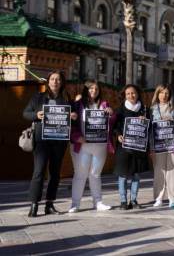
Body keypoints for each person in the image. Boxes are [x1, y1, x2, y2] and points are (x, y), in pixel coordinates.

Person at [24, 71, 78, 217]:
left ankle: (49, 204)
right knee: (39, 172)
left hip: (59, 141)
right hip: (41, 140)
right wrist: (36, 115)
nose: (55, 82)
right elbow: (25, 113)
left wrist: (73, 116)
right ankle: (34, 204)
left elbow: (76, 117)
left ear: (62, 82)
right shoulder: (38, 97)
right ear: (48, 82)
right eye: (53, 79)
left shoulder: (67, 99)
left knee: (55, 174)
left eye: (58, 79)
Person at [68, 79, 113, 213]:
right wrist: (77, 137)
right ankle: (75, 204)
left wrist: (111, 113)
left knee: (95, 174)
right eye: (91, 88)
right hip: (82, 145)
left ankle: (98, 202)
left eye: (96, 89)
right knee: (80, 174)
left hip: (99, 145)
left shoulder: (104, 104)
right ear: (86, 90)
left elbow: (111, 122)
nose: (94, 91)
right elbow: (70, 124)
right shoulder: (78, 104)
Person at [113, 84, 150, 210]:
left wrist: (145, 120)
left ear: (138, 93)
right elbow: (115, 126)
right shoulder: (120, 110)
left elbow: (150, 127)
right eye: (128, 93)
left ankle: (133, 200)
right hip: (124, 147)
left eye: (133, 93)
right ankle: (123, 201)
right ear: (124, 95)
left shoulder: (145, 109)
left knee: (136, 175)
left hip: (139, 147)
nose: (131, 96)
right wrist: (118, 135)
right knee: (122, 175)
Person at [150, 85, 174, 208]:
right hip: (158, 144)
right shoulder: (152, 109)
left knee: (173, 171)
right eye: (161, 93)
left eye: (167, 93)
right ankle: (158, 197)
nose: (164, 95)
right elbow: (150, 128)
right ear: (157, 94)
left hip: (173, 143)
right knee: (159, 171)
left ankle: (173, 198)